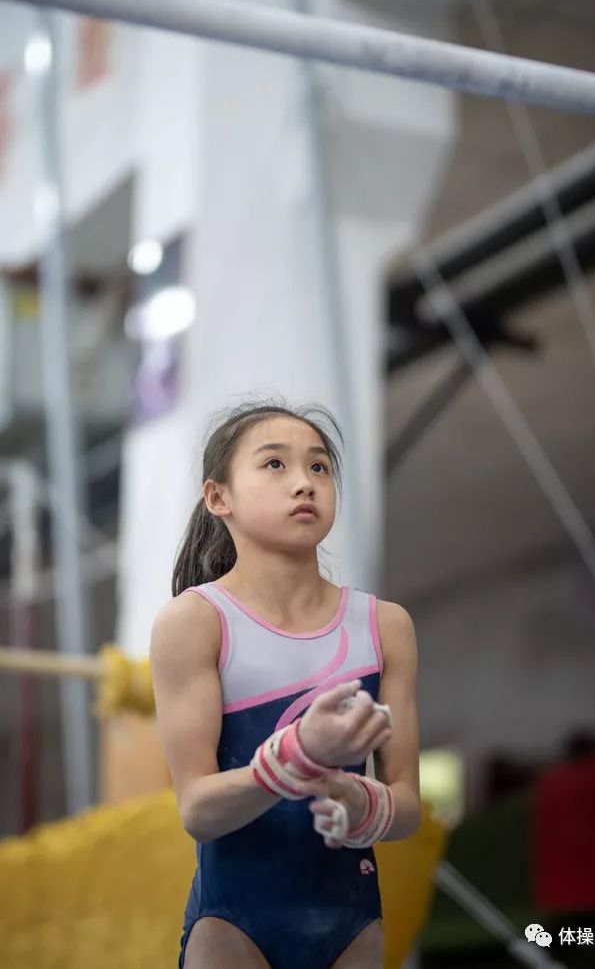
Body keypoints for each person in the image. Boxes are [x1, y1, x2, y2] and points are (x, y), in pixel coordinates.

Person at [150, 400, 421, 968]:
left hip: (351, 920)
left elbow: (409, 808)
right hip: (234, 925)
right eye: (275, 465)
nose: (305, 482)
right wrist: (300, 755)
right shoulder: (196, 622)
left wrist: (357, 800)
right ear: (218, 497)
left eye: (319, 467)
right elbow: (198, 809)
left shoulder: (384, 626)